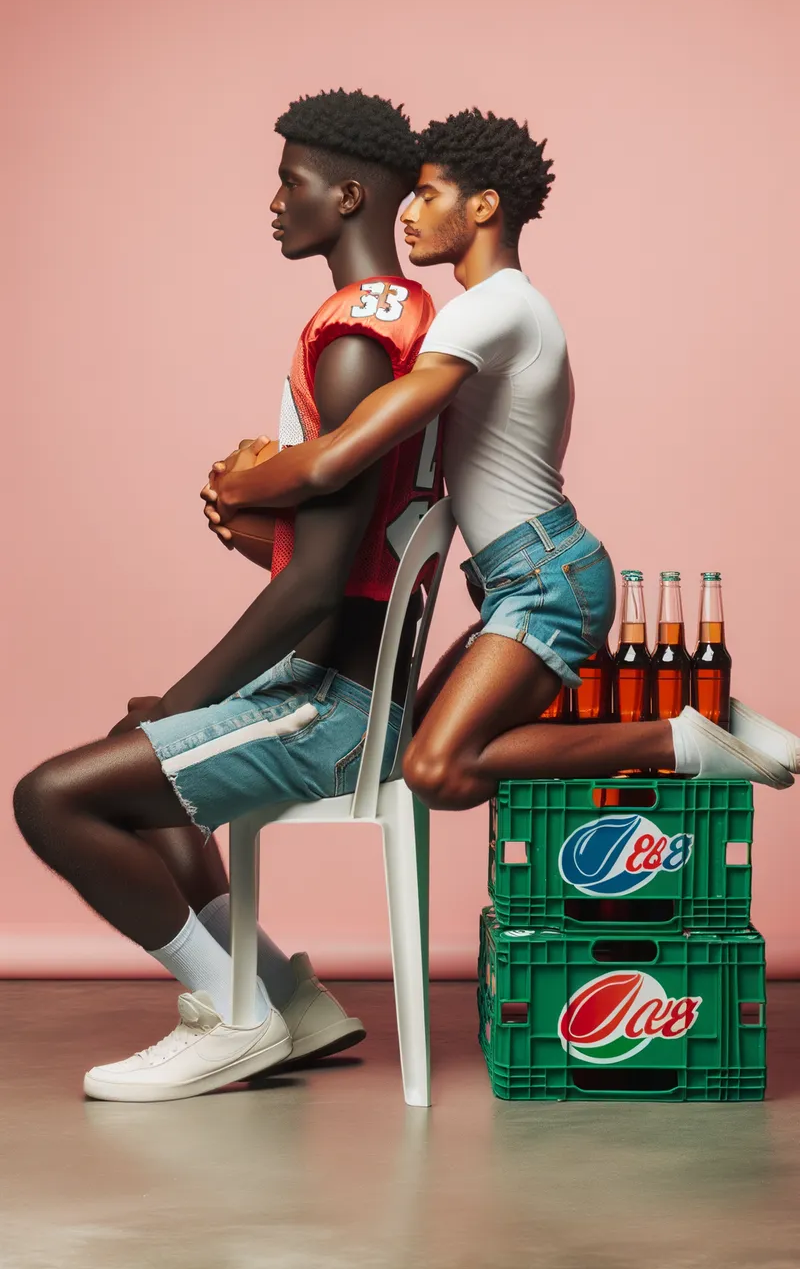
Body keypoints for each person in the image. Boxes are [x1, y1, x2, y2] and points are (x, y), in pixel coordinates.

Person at [13, 89, 442, 1102]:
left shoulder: (349, 343)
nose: (274, 199)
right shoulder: (408, 320)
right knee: (139, 755)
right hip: (345, 683)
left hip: (329, 706)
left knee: (49, 797)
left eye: (290, 180)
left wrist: (185, 697)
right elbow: (343, 556)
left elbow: (317, 584)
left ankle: (233, 1013)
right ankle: (286, 992)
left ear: (346, 194)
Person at [204, 108, 798, 800]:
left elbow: (340, 455)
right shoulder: (505, 309)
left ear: (483, 206)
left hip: (546, 579)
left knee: (435, 770)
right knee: (409, 752)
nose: (409, 213)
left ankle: (676, 738)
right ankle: (707, 722)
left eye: (429, 196)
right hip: (526, 573)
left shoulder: (487, 311)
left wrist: (240, 488)